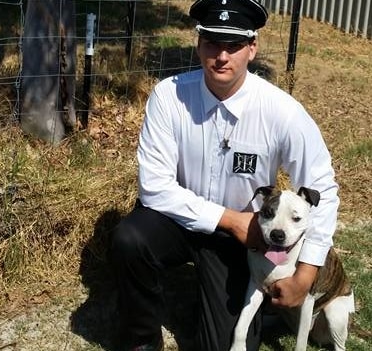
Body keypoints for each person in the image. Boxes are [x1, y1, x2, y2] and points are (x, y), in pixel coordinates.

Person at [110, 0, 339, 350]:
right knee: (130, 238)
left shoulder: (281, 111)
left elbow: (322, 186)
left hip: (244, 239)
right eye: (213, 43)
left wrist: (306, 274)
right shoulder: (169, 96)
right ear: (198, 43)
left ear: (252, 48)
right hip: (181, 220)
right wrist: (230, 219)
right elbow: (154, 187)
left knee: (225, 345)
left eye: (233, 45)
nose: (221, 56)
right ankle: (140, 340)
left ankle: (230, 305)